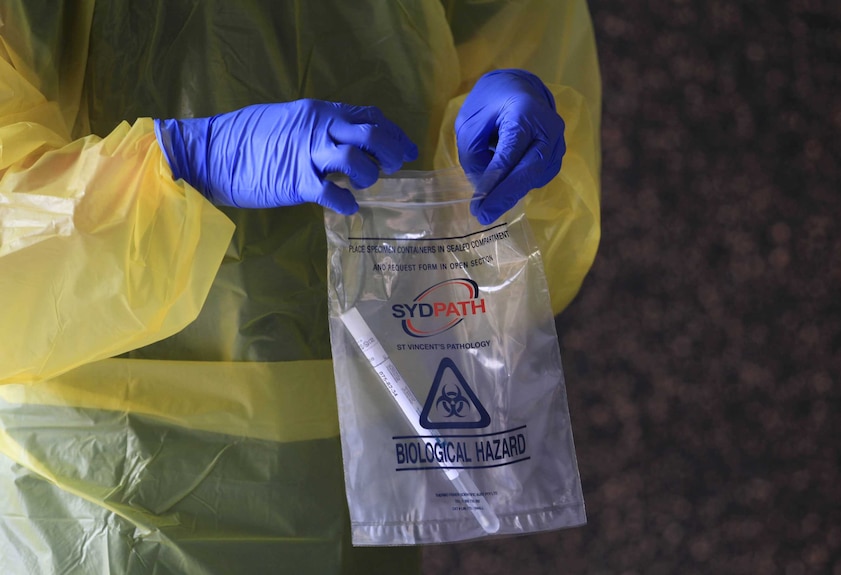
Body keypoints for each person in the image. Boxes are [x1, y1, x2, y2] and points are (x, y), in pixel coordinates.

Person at [0, 1, 601, 573]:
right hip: (94, 488)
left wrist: (494, 163)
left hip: (360, 464)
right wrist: (183, 161)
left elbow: (509, 255)